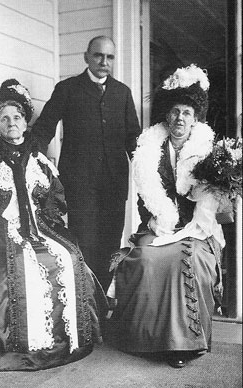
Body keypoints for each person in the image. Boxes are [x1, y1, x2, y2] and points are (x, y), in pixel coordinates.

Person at [0, 79, 106, 373]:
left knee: (68, 257)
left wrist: (52, 229)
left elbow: (54, 202)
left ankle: (65, 341)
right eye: (4, 118)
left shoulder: (40, 161)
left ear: (25, 121)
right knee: (23, 262)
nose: (12, 123)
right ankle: (22, 347)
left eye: (17, 117)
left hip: (38, 227)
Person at [108, 64, 225, 368]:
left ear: (195, 117)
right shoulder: (149, 148)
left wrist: (194, 223)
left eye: (186, 112)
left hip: (197, 227)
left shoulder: (207, 150)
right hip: (159, 224)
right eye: (174, 112)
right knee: (145, 258)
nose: (179, 119)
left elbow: (211, 203)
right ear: (166, 115)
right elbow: (145, 195)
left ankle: (182, 345)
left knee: (188, 260)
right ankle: (144, 340)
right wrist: (155, 217)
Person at [32, 36, 141, 290]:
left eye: (110, 57)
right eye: (98, 55)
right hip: (80, 185)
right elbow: (44, 128)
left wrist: (153, 171)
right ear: (86, 57)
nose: (104, 62)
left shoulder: (122, 93)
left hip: (114, 185)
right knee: (85, 245)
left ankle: (101, 310)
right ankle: (85, 310)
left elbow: (133, 138)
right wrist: (29, 159)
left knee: (111, 245)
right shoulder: (67, 89)